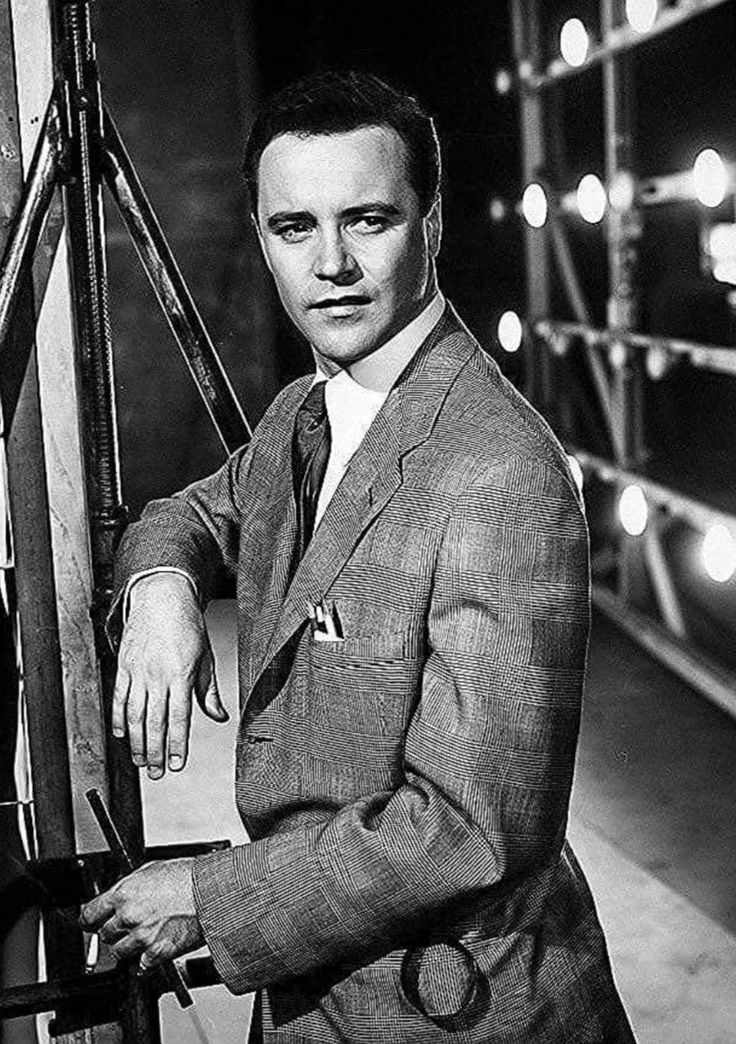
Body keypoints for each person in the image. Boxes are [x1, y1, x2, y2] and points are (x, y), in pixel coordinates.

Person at [81, 70, 636, 1042]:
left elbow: (469, 830)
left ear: (429, 225)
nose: (330, 262)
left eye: (367, 220)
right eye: (295, 228)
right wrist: (163, 588)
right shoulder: (306, 412)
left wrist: (210, 894)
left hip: (459, 1010)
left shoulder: (496, 470)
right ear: (261, 237)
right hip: (317, 990)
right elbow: (192, 514)